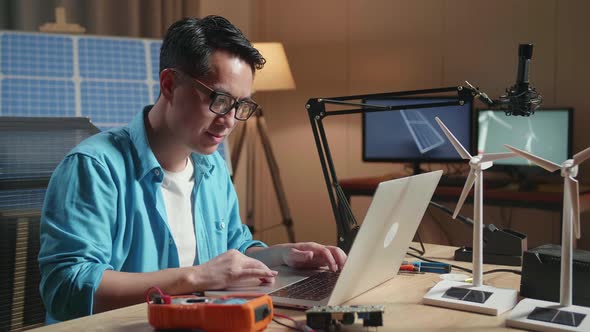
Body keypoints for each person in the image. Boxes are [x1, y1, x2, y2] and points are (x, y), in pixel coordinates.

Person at [38, 15, 346, 322]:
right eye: (220, 99)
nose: (229, 120)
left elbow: (232, 249)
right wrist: (195, 278)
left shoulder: (212, 167)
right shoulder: (93, 167)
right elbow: (66, 289)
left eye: (241, 106)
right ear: (170, 84)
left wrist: (282, 256)